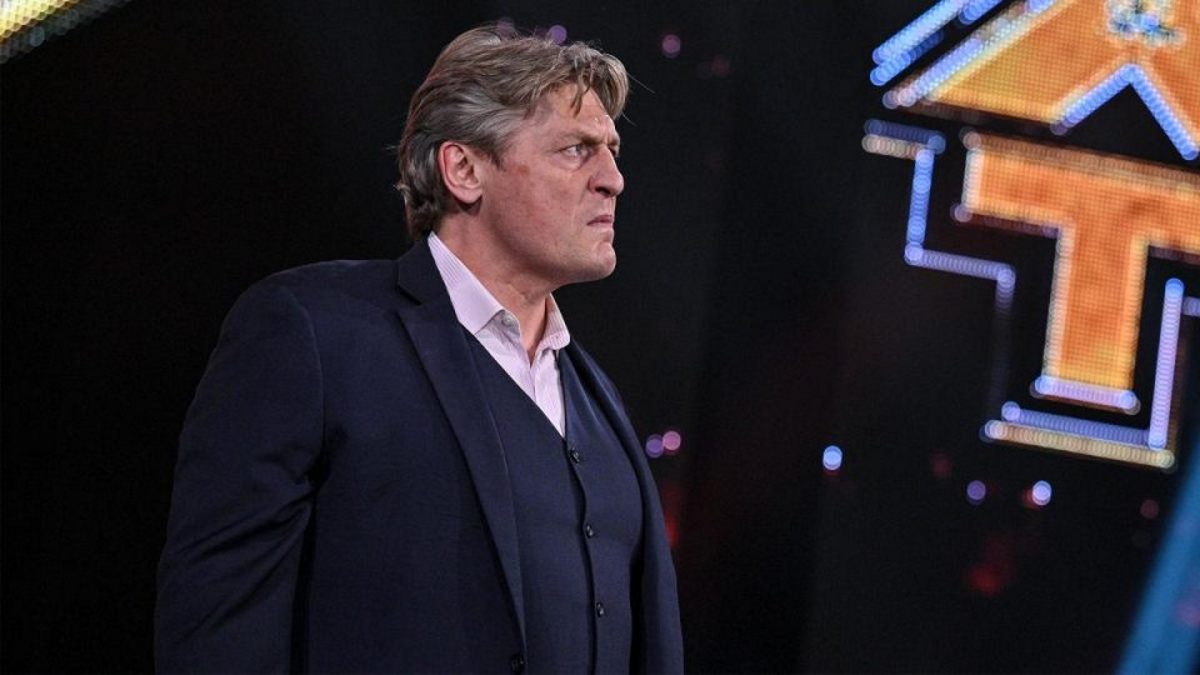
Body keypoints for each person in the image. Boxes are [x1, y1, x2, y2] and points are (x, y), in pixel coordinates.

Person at [155, 24, 683, 674]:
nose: (614, 179)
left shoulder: (600, 397)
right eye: (576, 150)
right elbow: (219, 627)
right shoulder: (314, 329)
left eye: (612, 150)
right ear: (464, 170)